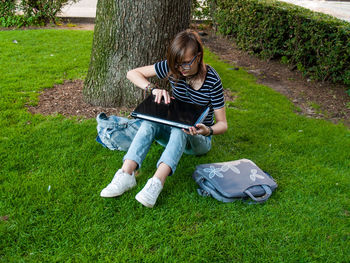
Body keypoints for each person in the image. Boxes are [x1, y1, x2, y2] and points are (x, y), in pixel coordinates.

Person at [100, 29, 228, 208]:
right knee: (150, 121)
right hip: (173, 130)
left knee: (180, 128)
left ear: (198, 57)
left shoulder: (212, 80)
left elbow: (223, 124)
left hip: (199, 139)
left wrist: (209, 130)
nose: (180, 69)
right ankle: (126, 174)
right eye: (177, 65)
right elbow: (132, 73)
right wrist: (152, 88)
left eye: (186, 64)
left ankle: (156, 182)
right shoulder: (173, 67)